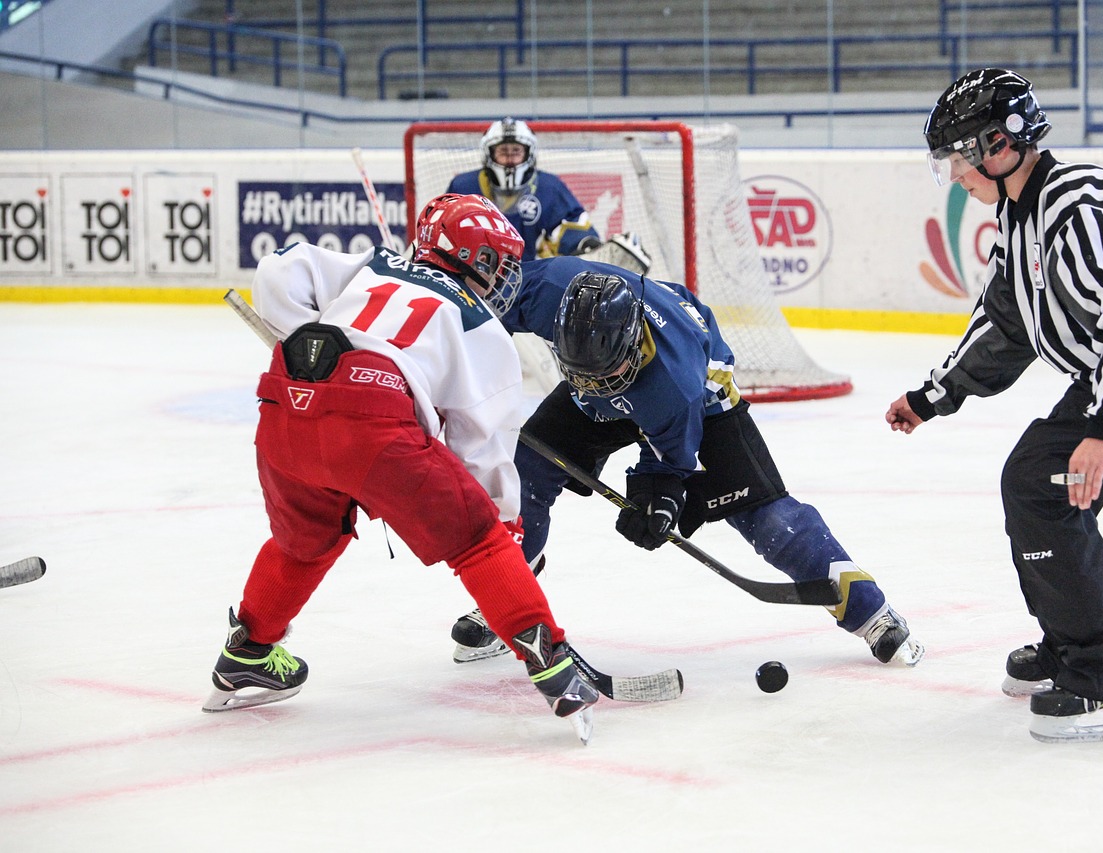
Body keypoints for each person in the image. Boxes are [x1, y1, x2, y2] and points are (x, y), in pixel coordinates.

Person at [886, 68, 1103, 743]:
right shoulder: (1020, 214)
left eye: (959, 157)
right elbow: (1005, 324)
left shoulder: (1076, 205)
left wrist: (1101, 430)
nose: (954, 174)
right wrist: (934, 395)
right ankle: (1074, 647)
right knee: (1047, 488)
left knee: (1042, 485)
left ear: (999, 144)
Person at [202, 193, 600, 743]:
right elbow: (482, 447)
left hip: (285, 400)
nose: (505, 276)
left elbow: (279, 267)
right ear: (476, 259)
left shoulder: (373, 263)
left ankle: (246, 652)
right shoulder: (482, 325)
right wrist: (502, 525)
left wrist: (310, 339)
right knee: (480, 540)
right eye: (499, 262)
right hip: (374, 424)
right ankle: (554, 666)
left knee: (304, 542)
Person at [450, 255, 925, 669]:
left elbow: (668, 464)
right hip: (609, 377)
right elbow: (468, 308)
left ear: (633, 343)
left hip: (701, 398)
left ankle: (870, 612)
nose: (598, 385)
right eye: (581, 373)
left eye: (608, 374)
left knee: (763, 514)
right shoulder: (552, 289)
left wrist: (656, 501)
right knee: (524, 471)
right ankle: (510, 596)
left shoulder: (674, 388)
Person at [446, 117, 601, 260]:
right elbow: (446, 233)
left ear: (529, 153)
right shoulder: (463, 187)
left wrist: (583, 244)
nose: (510, 159)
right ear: (489, 154)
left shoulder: (550, 188)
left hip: (533, 279)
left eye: (516, 151)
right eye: (503, 152)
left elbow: (575, 229)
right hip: (476, 280)